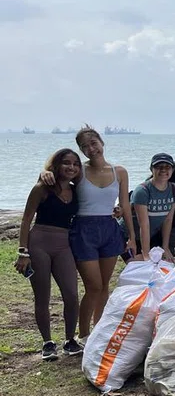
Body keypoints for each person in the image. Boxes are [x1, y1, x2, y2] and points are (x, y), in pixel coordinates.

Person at [68, 126, 137, 337]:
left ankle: (98, 329)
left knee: (105, 285)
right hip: (83, 230)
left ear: (101, 142)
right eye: (85, 146)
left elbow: (125, 206)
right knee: (93, 286)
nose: (91, 149)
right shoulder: (78, 170)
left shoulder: (120, 172)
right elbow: (54, 178)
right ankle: (83, 334)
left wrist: (132, 237)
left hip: (109, 228)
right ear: (81, 150)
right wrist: (45, 173)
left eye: (93, 143)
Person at [16, 149, 82, 360]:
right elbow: (26, 220)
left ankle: (70, 340)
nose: (71, 167)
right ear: (56, 165)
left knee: (71, 295)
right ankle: (47, 343)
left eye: (75, 164)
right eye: (66, 163)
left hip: (64, 245)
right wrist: (23, 252)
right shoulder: (41, 188)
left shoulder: (76, 190)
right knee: (42, 297)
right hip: (39, 244)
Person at [131, 153, 175, 262]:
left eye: (167, 167)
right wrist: (146, 254)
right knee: (139, 266)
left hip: (152, 235)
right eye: (158, 167)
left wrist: (165, 247)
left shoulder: (174, 189)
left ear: (172, 170)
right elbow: (144, 224)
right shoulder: (142, 191)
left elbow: (168, 220)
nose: (163, 170)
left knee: (164, 264)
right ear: (151, 169)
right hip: (131, 235)